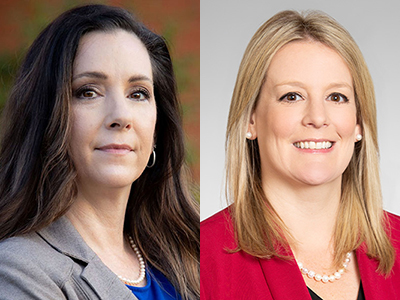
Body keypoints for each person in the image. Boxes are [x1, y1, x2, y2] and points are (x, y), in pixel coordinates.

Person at [0, 4, 199, 300]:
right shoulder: (20, 268)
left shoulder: (193, 253)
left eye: (138, 93)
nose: (121, 116)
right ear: (48, 117)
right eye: (88, 92)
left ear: (157, 130)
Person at [200, 10, 400, 300]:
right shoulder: (203, 257)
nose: (317, 118)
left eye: (337, 97)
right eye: (292, 96)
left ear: (358, 123)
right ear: (250, 120)